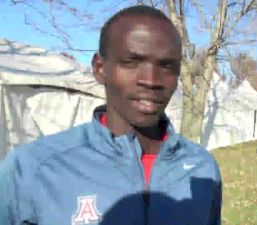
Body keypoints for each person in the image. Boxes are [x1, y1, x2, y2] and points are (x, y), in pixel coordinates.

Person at [0, 5, 222, 225]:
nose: (151, 80)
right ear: (99, 68)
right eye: (131, 62)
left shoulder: (202, 169)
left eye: (166, 66)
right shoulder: (32, 168)